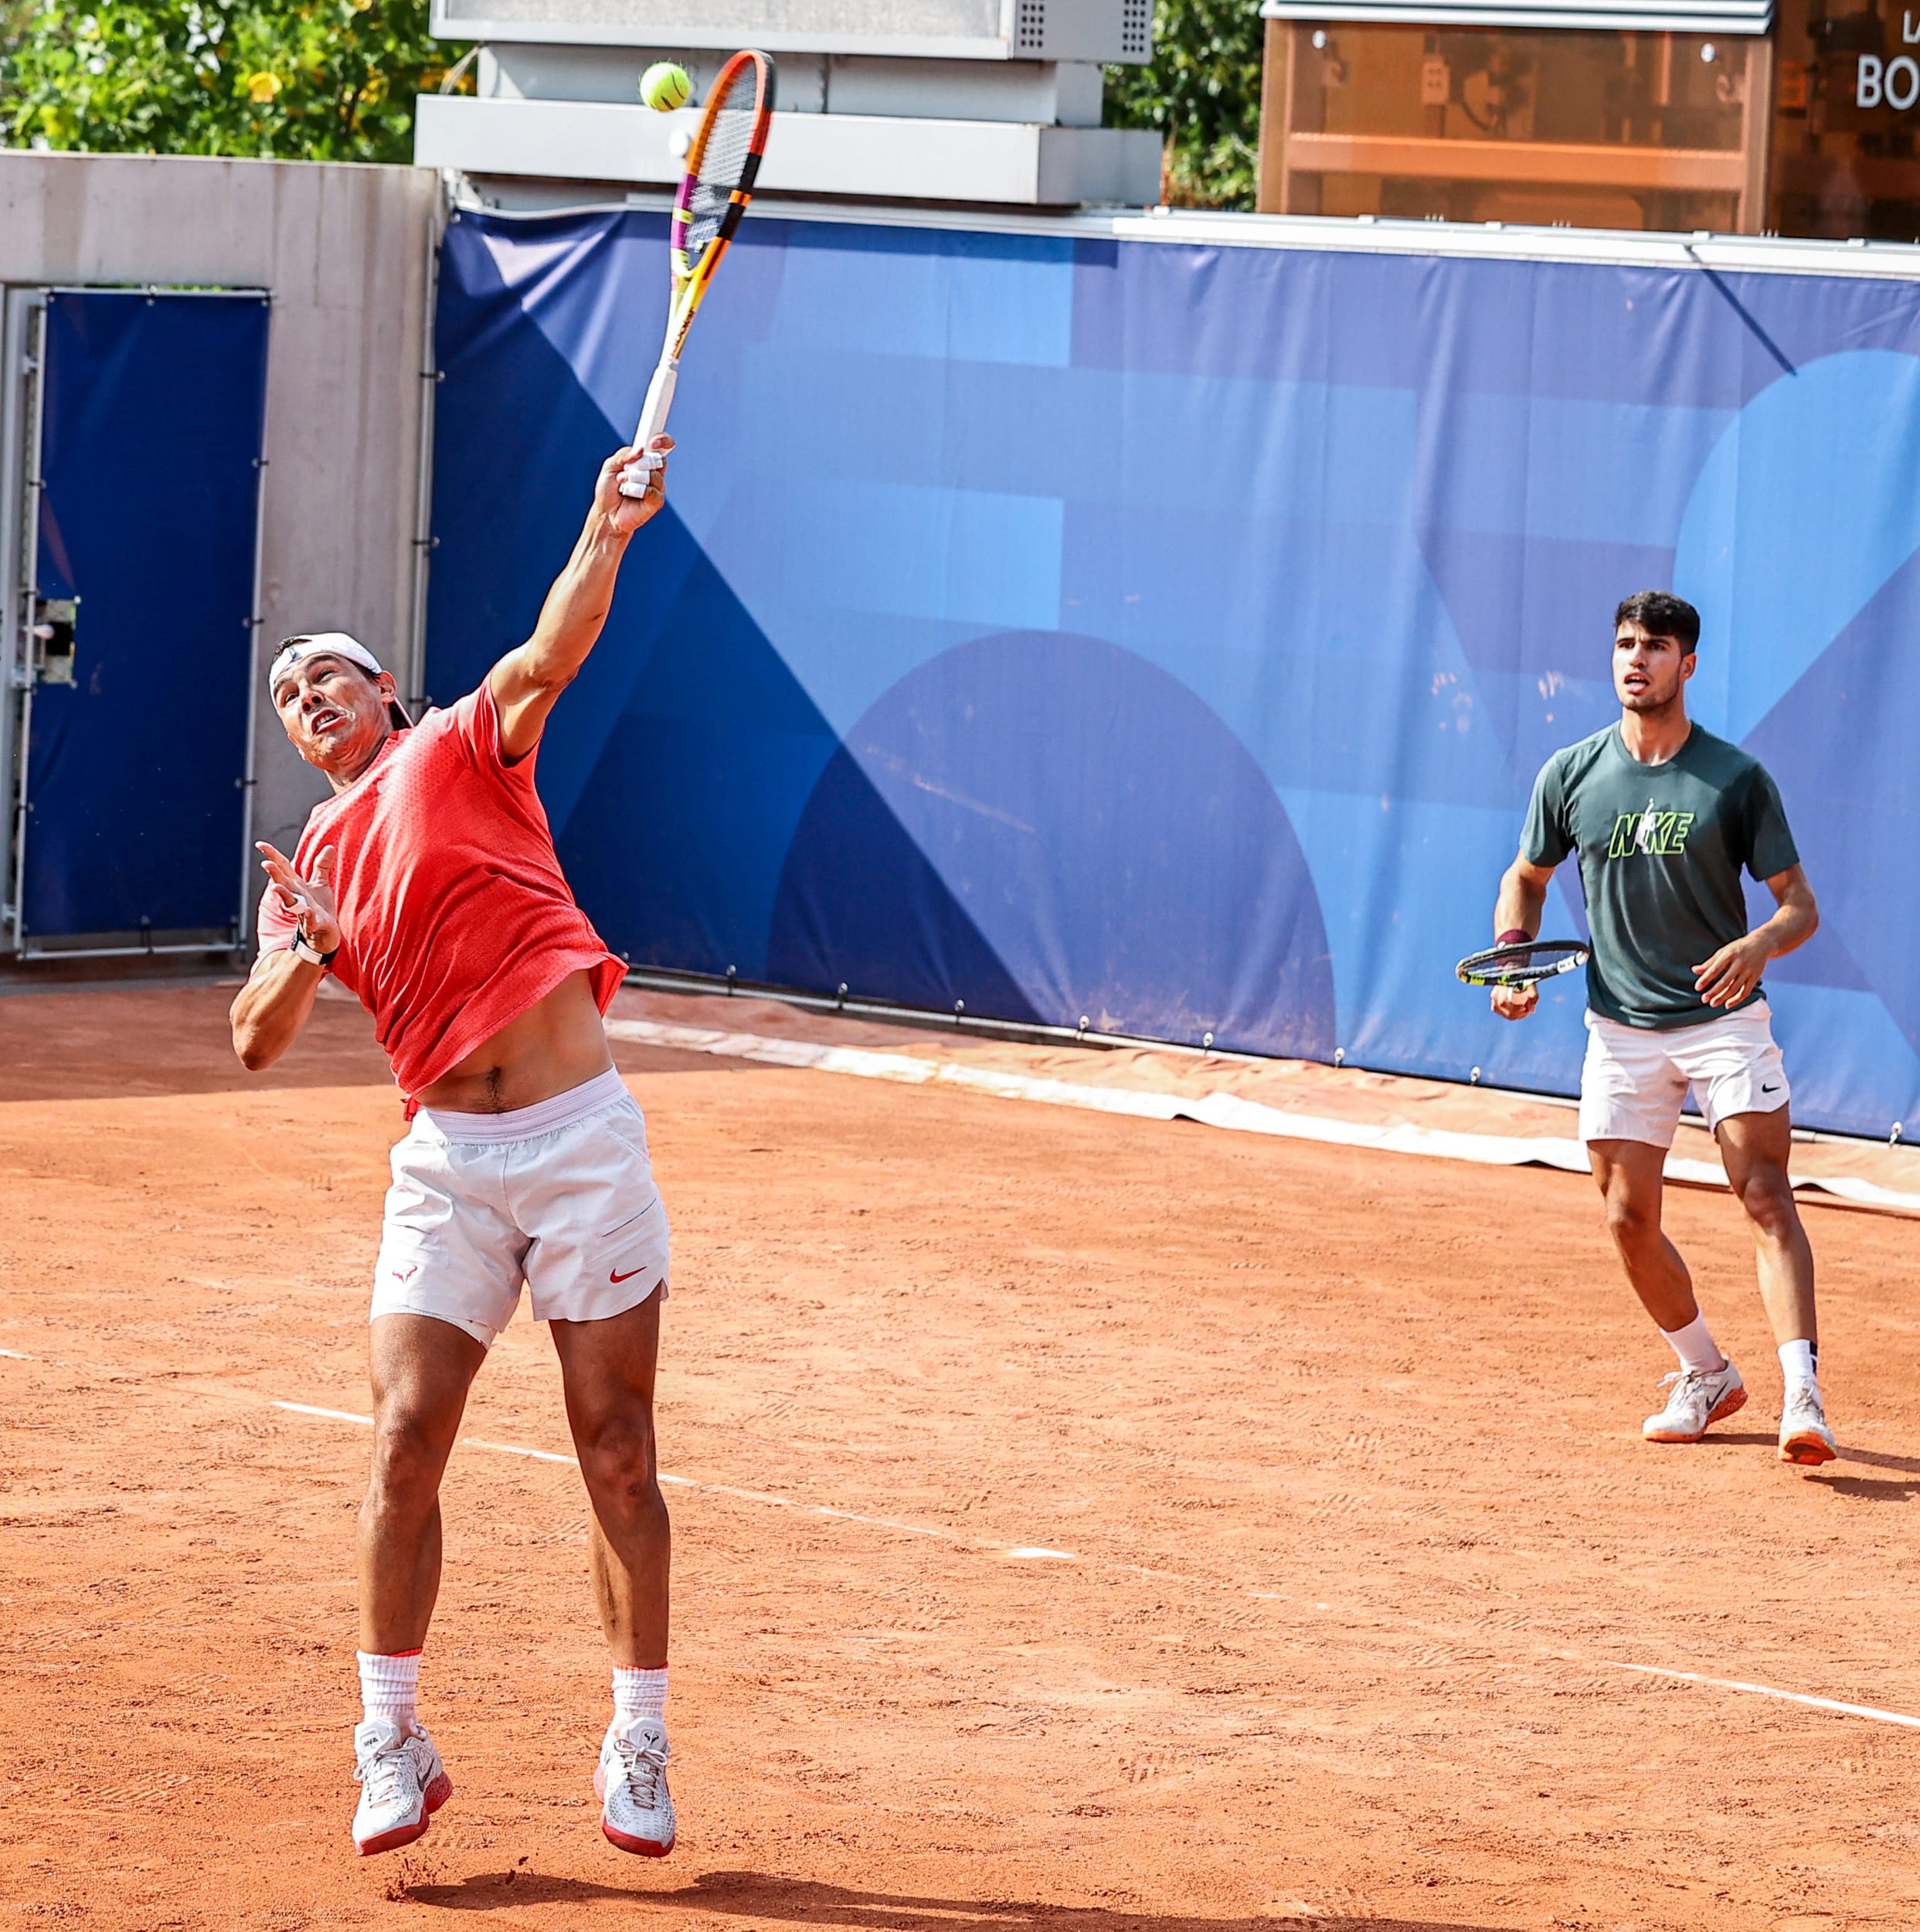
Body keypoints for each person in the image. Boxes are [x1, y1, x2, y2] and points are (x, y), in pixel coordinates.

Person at [229, 436, 682, 1859]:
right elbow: (253, 1037)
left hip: (579, 1144)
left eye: (331, 677)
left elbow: (555, 647)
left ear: (386, 695)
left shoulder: (460, 744)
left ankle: (639, 1737)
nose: (311, 700)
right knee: (404, 1438)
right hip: (446, 1163)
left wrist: (605, 530)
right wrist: (306, 951)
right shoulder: (307, 869)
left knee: (615, 1449)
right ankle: (389, 1737)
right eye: (291, 693)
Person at [1489, 590, 1833, 1468]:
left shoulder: (1735, 778)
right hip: (1620, 1030)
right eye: (1622, 645)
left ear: (1686, 664)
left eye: (1653, 646)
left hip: (1723, 1022)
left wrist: (1756, 945)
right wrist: (1513, 953)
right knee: (1625, 1219)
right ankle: (1706, 1373)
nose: (1633, 659)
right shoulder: (1569, 774)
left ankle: (1803, 1396)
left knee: (1762, 1191)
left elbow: (1799, 906)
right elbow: (1525, 875)